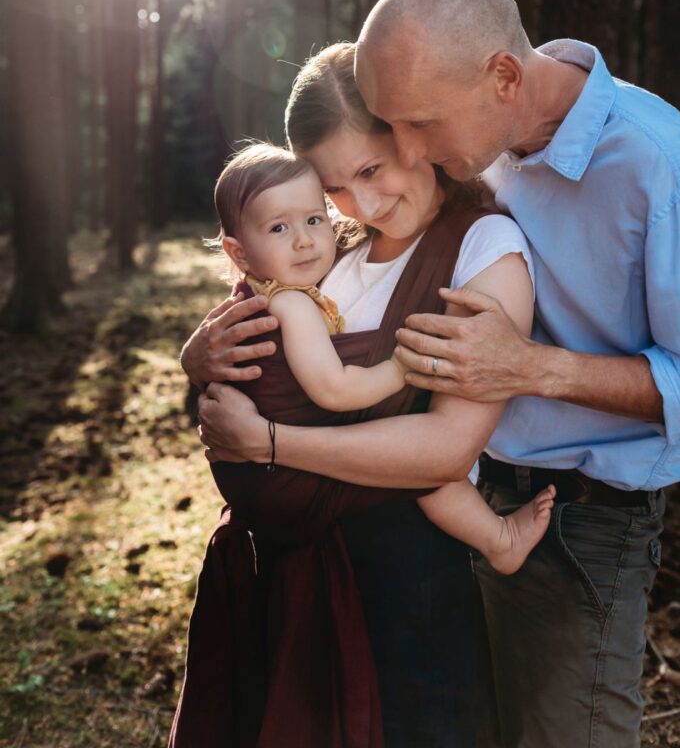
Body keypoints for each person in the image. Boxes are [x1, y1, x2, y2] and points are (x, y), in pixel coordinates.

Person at [196, 0, 680, 748]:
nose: (409, 151)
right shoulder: (467, 137)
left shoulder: (656, 167)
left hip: (584, 516)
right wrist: (204, 352)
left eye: (415, 128)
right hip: (465, 502)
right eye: (394, 132)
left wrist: (535, 367)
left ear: (500, 76)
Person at [179, 41, 539, 748]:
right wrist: (197, 360)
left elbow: (443, 449)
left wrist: (274, 445)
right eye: (336, 187)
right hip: (286, 574)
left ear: (414, 136)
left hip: (404, 586)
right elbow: (253, 359)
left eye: (372, 169)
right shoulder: (328, 246)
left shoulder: (480, 247)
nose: (363, 203)